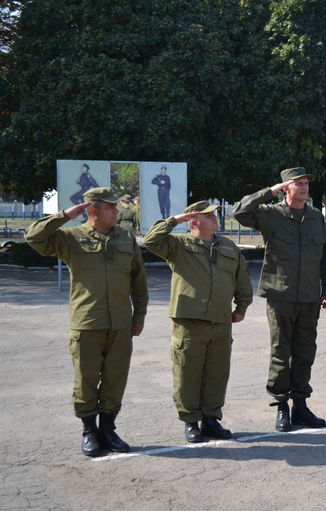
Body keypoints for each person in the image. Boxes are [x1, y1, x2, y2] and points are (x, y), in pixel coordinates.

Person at [25, 188, 148, 457]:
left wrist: (138, 316)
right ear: (92, 210)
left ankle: (108, 429)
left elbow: (138, 281)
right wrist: (66, 214)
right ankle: (89, 431)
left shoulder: (126, 237)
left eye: (116, 207)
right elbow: (33, 236)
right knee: (86, 380)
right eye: (109, 207)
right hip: (87, 321)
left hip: (120, 323)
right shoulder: (71, 238)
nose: (117, 211)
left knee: (116, 379)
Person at [233, 167, 326, 431]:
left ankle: (300, 407)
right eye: (297, 183)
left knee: (305, 352)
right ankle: (281, 408)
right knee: (281, 352)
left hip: (310, 296)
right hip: (281, 295)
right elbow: (241, 211)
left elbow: (325, 257)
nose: (304, 187)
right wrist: (271, 191)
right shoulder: (271, 215)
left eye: (306, 183)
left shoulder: (315, 217)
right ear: (286, 188)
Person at [143, 201, 252, 442]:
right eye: (208, 215)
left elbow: (241, 278)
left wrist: (242, 306)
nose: (215, 218)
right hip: (189, 321)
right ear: (194, 222)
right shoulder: (178, 245)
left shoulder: (228, 246)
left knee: (217, 373)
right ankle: (190, 421)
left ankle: (211, 419)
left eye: (215, 215)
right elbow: (150, 240)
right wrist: (175, 220)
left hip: (221, 320)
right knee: (187, 373)